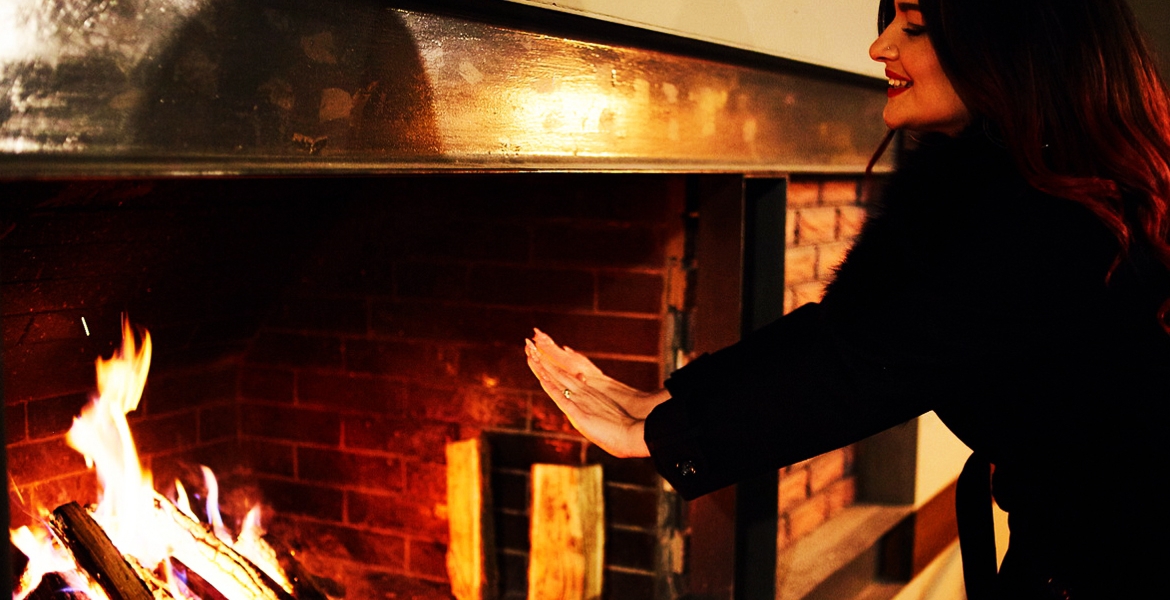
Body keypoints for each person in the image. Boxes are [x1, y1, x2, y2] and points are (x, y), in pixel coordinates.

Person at [526, 0, 1170, 597]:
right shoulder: (1033, 188)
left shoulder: (1045, 218)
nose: (878, 46)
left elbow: (863, 369)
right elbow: (849, 333)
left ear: (1014, 44)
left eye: (913, 27)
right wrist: (664, 403)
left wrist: (655, 435)